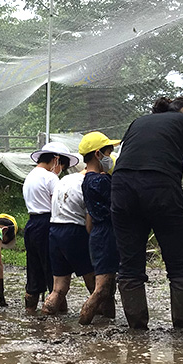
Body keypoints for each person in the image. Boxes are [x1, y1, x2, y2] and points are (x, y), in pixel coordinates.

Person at [111, 95, 183, 330]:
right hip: (161, 187)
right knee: (179, 264)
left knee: (130, 264)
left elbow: (119, 157)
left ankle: (137, 332)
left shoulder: (138, 121)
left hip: (121, 188)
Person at [22, 141, 79, 314]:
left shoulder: (30, 176)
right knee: (53, 271)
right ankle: (58, 314)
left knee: (34, 269)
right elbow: (60, 202)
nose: (61, 168)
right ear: (56, 159)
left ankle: (30, 311)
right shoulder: (50, 177)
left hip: (31, 224)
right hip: (47, 224)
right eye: (61, 164)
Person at [77, 132, 121, 325]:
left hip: (97, 233)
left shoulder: (87, 179)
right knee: (102, 288)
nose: (110, 158)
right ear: (97, 154)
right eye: (108, 153)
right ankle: (83, 323)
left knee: (109, 287)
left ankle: (108, 321)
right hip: (107, 234)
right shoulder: (102, 181)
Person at [41, 162, 95, 316]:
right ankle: (98, 324)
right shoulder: (89, 185)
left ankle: (45, 323)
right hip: (75, 231)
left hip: (55, 231)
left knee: (58, 289)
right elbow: (89, 222)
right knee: (94, 285)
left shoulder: (65, 179)